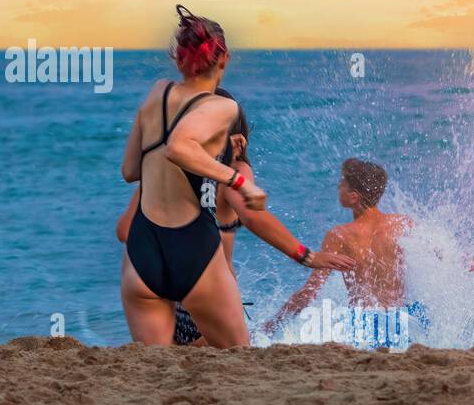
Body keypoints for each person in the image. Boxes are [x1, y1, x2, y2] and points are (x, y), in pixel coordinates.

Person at [116, 91, 354, 345]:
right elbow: (253, 217)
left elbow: (124, 230)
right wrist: (308, 256)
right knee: (231, 358)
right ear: (237, 141)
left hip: (155, 286)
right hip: (206, 290)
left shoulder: (164, 169)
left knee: (165, 368)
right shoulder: (232, 170)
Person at [118, 5, 267, 348]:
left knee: (157, 372)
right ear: (223, 58)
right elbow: (179, 147)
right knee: (241, 360)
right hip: (191, 248)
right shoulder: (223, 107)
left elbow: (129, 171)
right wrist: (240, 181)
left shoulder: (157, 92)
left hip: (143, 250)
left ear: (178, 59)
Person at [269, 159, 474, 349]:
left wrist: (272, 325)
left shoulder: (339, 236)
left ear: (353, 197)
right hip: (406, 321)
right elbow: (455, 258)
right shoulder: (402, 224)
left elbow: (310, 292)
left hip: (364, 325)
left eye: (342, 184)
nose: (337, 187)